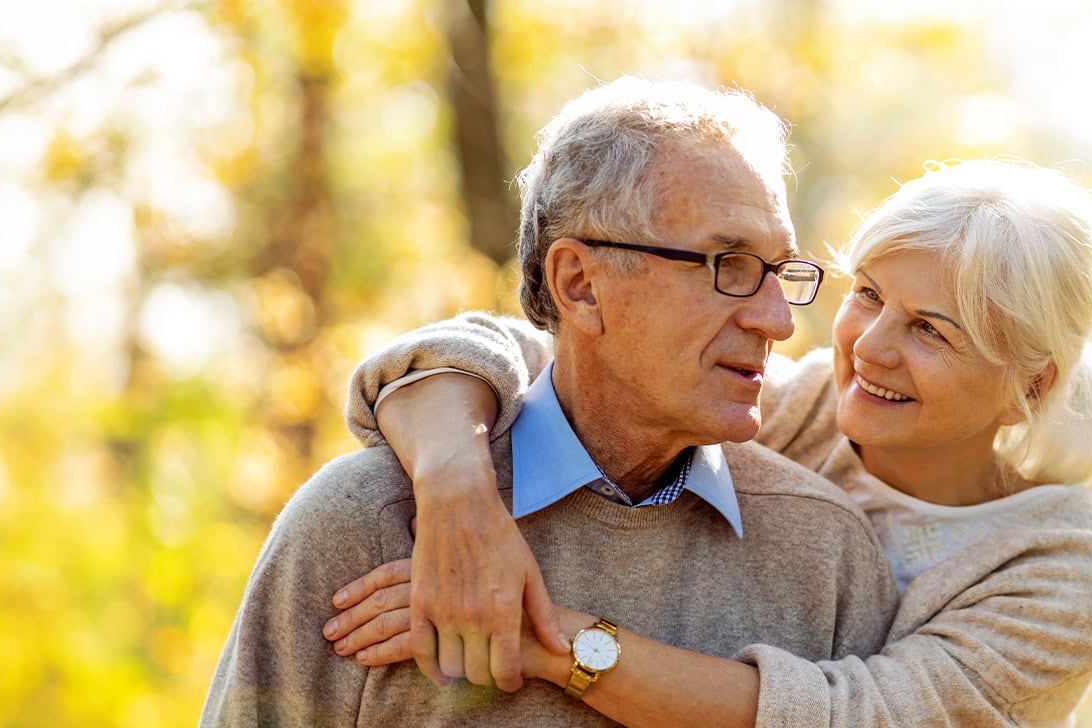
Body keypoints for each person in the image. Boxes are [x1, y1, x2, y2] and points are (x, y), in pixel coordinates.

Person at [328, 157, 1092, 725]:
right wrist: (455, 491)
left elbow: (853, 719)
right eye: (868, 295)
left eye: (931, 330)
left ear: (1031, 387)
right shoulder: (797, 410)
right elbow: (500, 351)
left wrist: (543, 639)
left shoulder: (1070, 575)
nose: (871, 347)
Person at [201, 76, 899, 727]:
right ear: (580, 285)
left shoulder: (828, 556)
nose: (778, 321)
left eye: (780, 274)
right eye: (731, 267)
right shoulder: (362, 528)